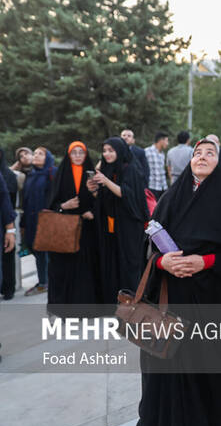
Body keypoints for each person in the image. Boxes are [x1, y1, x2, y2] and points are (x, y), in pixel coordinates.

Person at [130, 138, 221, 426]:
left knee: (208, 365)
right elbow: (148, 243)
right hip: (170, 297)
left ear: (219, 163)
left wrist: (203, 261)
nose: (202, 157)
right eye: (196, 153)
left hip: (211, 297)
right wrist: (163, 261)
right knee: (160, 365)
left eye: (209, 153)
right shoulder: (171, 198)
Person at [89, 137, 147, 304]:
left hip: (129, 225)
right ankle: (116, 301)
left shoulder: (131, 169)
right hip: (112, 223)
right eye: (105, 150)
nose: (107, 154)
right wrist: (93, 189)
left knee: (129, 264)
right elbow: (102, 197)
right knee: (114, 262)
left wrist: (106, 182)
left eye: (111, 150)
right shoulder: (108, 169)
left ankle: (134, 302)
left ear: (119, 151)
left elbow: (127, 194)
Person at [47, 142, 99, 311]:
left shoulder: (93, 175)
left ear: (85, 155)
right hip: (65, 230)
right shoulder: (61, 175)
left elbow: (102, 201)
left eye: (81, 153)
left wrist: (90, 211)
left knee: (85, 268)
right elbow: (51, 205)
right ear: (69, 156)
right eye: (74, 153)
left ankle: (86, 307)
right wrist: (64, 206)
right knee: (63, 268)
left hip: (87, 230)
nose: (77, 156)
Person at [21, 147, 56, 296]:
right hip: (30, 218)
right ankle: (45, 280)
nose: (36, 156)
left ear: (47, 157)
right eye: (34, 153)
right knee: (33, 247)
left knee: (43, 250)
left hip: (46, 218)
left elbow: (56, 195)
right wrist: (23, 222)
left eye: (40, 154)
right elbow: (26, 200)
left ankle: (44, 282)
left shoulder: (52, 172)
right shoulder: (31, 175)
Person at [0, 147, 18, 300]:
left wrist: (10, 229)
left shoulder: (8, 176)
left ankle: (8, 289)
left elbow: (6, 200)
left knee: (7, 257)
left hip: (4, 222)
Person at [144, 132, 169, 199]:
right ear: (161, 141)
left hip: (162, 188)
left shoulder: (162, 154)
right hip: (152, 187)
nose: (167, 143)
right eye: (166, 141)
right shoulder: (147, 151)